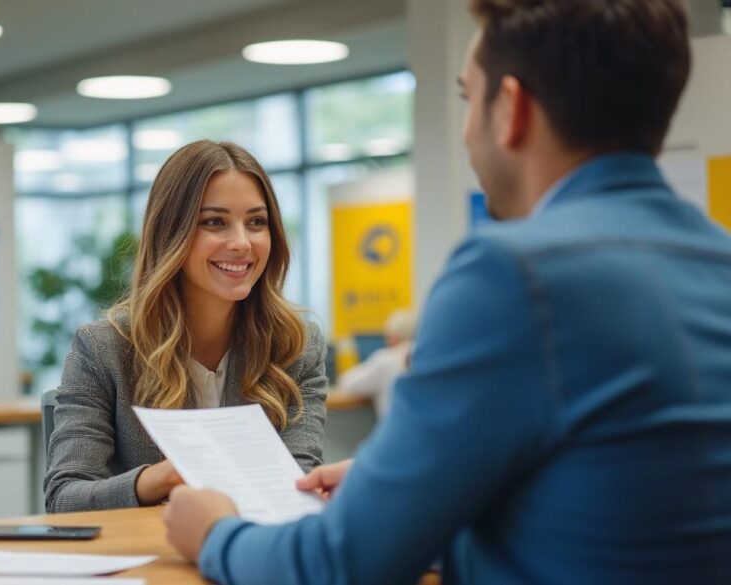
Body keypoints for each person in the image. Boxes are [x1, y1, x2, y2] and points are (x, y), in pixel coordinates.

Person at [163, 1, 731, 583]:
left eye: (466, 99)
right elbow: (611, 492)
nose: (464, 130)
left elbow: (342, 563)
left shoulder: (514, 273)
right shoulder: (718, 258)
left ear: (510, 109)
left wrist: (214, 533)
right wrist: (406, 486)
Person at [44, 140, 328, 513]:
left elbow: (298, 482)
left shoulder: (295, 345)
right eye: (215, 222)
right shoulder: (104, 348)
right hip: (150, 562)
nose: (242, 243)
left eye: (256, 222)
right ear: (170, 233)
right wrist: (159, 478)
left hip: (253, 557)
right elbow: (64, 499)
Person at [336, 309, 416, 417]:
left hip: (396, 430)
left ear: (394, 337)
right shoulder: (425, 357)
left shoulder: (385, 359)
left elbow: (347, 382)